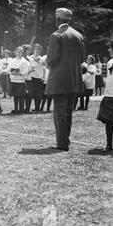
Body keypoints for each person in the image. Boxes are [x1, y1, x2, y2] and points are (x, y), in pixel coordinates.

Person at [45, 8, 85, 151]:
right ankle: (65, 141)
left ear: (58, 19)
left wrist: (47, 62)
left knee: (60, 113)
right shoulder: (78, 35)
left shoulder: (56, 35)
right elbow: (82, 59)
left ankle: (62, 143)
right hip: (74, 80)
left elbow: (52, 59)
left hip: (60, 81)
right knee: (68, 112)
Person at [8, 46, 30, 114]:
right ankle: (16, 109)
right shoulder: (12, 60)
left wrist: (19, 73)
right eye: (17, 52)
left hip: (20, 81)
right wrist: (4, 71)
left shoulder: (24, 61)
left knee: (21, 96)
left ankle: (21, 110)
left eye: (20, 52)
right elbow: (9, 69)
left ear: (22, 53)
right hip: (14, 80)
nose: (18, 53)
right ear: (15, 52)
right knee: (15, 96)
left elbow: (26, 71)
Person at [28, 43, 46, 112]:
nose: (37, 50)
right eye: (35, 49)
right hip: (31, 78)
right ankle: (27, 109)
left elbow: (44, 69)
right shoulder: (30, 58)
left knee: (38, 95)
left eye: (38, 49)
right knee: (30, 94)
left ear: (40, 50)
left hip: (39, 78)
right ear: (33, 50)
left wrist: (43, 77)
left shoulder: (42, 59)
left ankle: (37, 108)